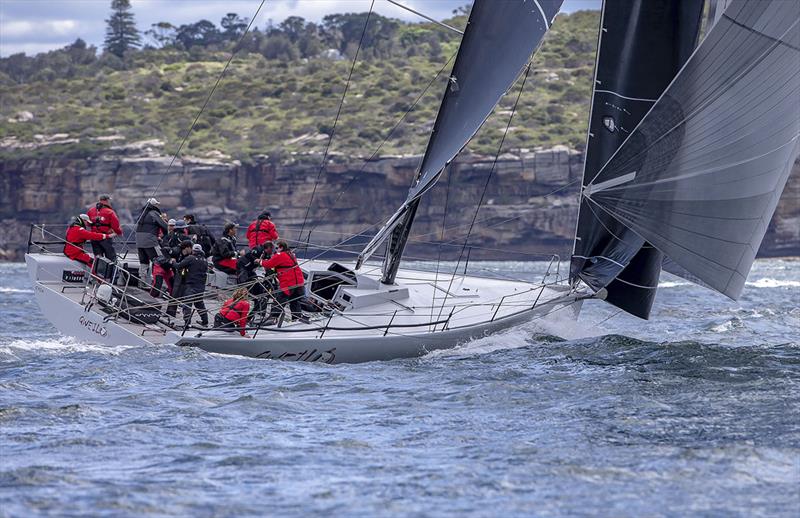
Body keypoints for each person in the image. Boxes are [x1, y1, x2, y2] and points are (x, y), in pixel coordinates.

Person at [260, 240, 306, 323]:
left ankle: (273, 318)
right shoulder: (291, 254)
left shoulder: (280, 255)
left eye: (277, 248)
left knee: (279, 300)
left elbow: (269, 264)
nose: (276, 250)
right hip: (299, 282)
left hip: (288, 282)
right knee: (294, 301)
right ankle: (296, 319)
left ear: (281, 247)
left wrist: (260, 261)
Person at [171, 242, 209, 328]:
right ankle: (205, 321)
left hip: (191, 285)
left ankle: (187, 323)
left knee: (187, 304)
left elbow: (178, 266)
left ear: (193, 250)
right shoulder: (204, 260)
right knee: (199, 304)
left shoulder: (190, 258)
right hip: (201, 286)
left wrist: (173, 262)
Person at [87, 194, 122, 279]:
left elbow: (88, 223)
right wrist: (119, 233)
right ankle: (113, 278)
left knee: (98, 257)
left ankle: (96, 278)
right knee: (111, 257)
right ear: (106, 201)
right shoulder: (110, 212)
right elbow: (116, 226)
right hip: (105, 238)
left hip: (94, 238)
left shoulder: (91, 210)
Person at [135, 198, 169, 287]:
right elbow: (164, 226)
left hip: (139, 242)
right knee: (159, 260)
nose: (158, 206)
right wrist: (167, 235)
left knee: (143, 262)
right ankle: (157, 283)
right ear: (154, 205)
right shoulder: (154, 213)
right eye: (157, 204)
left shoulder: (142, 214)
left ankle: (141, 282)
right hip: (149, 241)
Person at [236, 245, 270, 320]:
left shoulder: (264, 254)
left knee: (262, 295)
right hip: (244, 273)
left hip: (251, 273)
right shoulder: (255, 252)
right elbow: (242, 277)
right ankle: (239, 317)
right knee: (242, 296)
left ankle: (257, 316)